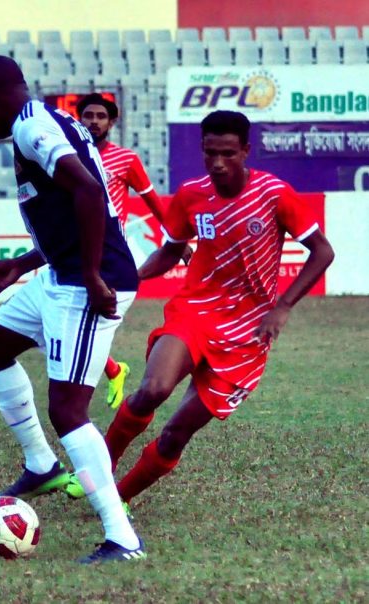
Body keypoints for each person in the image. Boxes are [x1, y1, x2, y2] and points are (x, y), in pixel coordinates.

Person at [103, 110, 334, 510]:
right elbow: (172, 251)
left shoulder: (274, 194)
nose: (218, 163)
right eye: (210, 153)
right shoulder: (192, 195)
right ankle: (97, 471)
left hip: (248, 333)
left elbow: (322, 252)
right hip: (194, 312)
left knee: (177, 432)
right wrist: (132, 278)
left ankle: (116, 500)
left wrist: (282, 307)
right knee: (152, 390)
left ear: (246, 151)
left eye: (228, 153)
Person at [0, 55, 145, 564]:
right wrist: (23, 263)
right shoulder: (44, 121)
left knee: (68, 411)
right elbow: (71, 210)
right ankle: (41, 465)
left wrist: (91, 276)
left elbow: (90, 192)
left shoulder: (29, 129)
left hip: (90, 281)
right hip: (60, 273)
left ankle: (122, 537)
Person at [76, 93, 171, 409]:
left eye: (100, 116)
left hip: (111, 253)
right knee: (74, 323)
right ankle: (114, 371)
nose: (94, 121)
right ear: (80, 119)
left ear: (111, 122)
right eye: (88, 115)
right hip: (74, 248)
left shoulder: (126, 159)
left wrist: (178, 239)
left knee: (91, 323)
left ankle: (88, 390)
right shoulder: (68, 156)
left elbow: (152, 200)